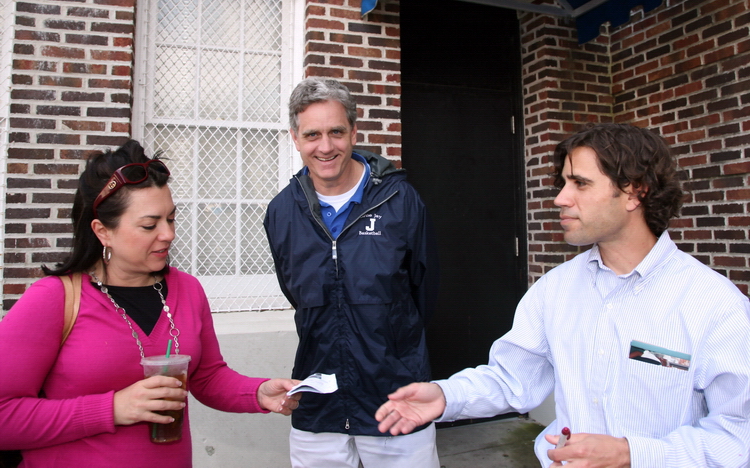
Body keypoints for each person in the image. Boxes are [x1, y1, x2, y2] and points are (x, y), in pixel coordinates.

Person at [375, 123, 750, 467]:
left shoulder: (714, 304)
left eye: (580, 184)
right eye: (564, 183)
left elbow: (738, 435)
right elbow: (513, 377)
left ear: (635, 191)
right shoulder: (555, 289)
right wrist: (446, 396)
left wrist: (632, 454)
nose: (560, 198)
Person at [0, 140, 301, 467]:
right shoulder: (53, 298)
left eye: (171, 219)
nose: (168, 234)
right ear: (103, 231)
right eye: (149, 225)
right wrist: (113, 408)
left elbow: (207, 377)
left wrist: (257, 392)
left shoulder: (187, 289)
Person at [263, 78, 439, 467]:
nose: (325, 147)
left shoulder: (401, 201)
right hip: (318, 401)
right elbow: (297, 295)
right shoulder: (281, 212)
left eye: (336, 132)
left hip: (397, 399)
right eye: (312, 135)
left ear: (354, 132)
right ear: (295, 138)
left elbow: (423, 292)